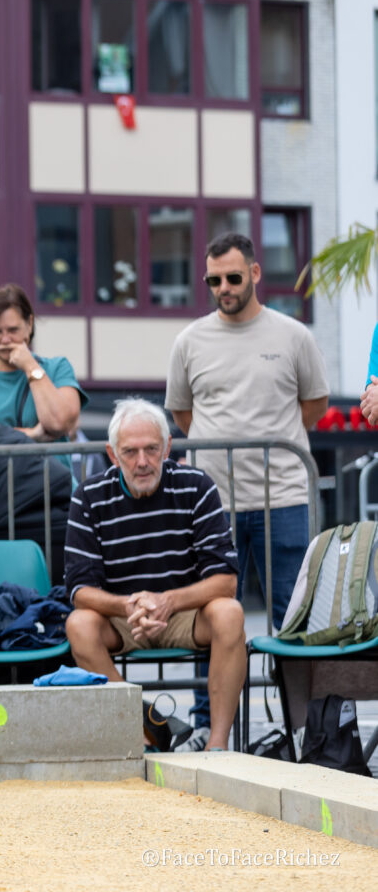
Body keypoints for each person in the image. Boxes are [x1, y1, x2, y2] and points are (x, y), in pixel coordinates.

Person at [166, 233, 327, 744]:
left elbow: (313, 407)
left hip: (283, 497)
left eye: (233, 277)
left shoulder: (293, 334)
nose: (223, 288)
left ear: (256, 274)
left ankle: (303, 729)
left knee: (294, 621)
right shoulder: (189, 340)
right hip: (212, 506)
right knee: (208, 619)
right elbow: (183, 414)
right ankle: (203, 728)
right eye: (213, 280)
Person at [64, 399, 245, 752]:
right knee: (79, 624)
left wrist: (167, 602)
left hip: (185, 613)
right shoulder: (88, 496)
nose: (142, 462)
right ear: (112, 454)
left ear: (167, 448)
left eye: (151, 449)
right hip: (124, 617)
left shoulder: (196, 485)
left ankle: (218, 747)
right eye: (130, 452)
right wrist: (129, 605)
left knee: (230, 613)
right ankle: (141, 732)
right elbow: (79, 590)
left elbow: (226, 581)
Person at [0, 283, 87, 441]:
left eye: (13, 330)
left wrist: (30, 367)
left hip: (50, 466)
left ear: (29, 324)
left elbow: (60, 424)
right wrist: (31, 435)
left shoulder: (58, 367)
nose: (6, 339)